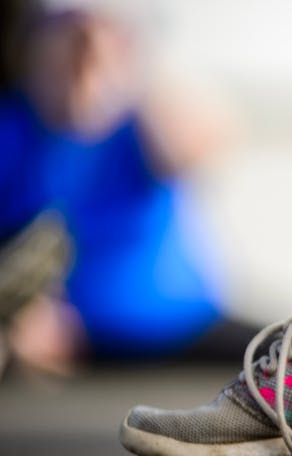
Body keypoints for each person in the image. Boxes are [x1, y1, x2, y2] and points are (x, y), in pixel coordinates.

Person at [0, 6, 243, 374]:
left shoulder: (143, 118)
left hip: (186, 335)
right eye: (67, 34)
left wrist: (123, 72)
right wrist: (18, 320)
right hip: (77, 354)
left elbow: (202, 140)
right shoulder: (13, 129)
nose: (83, 52)